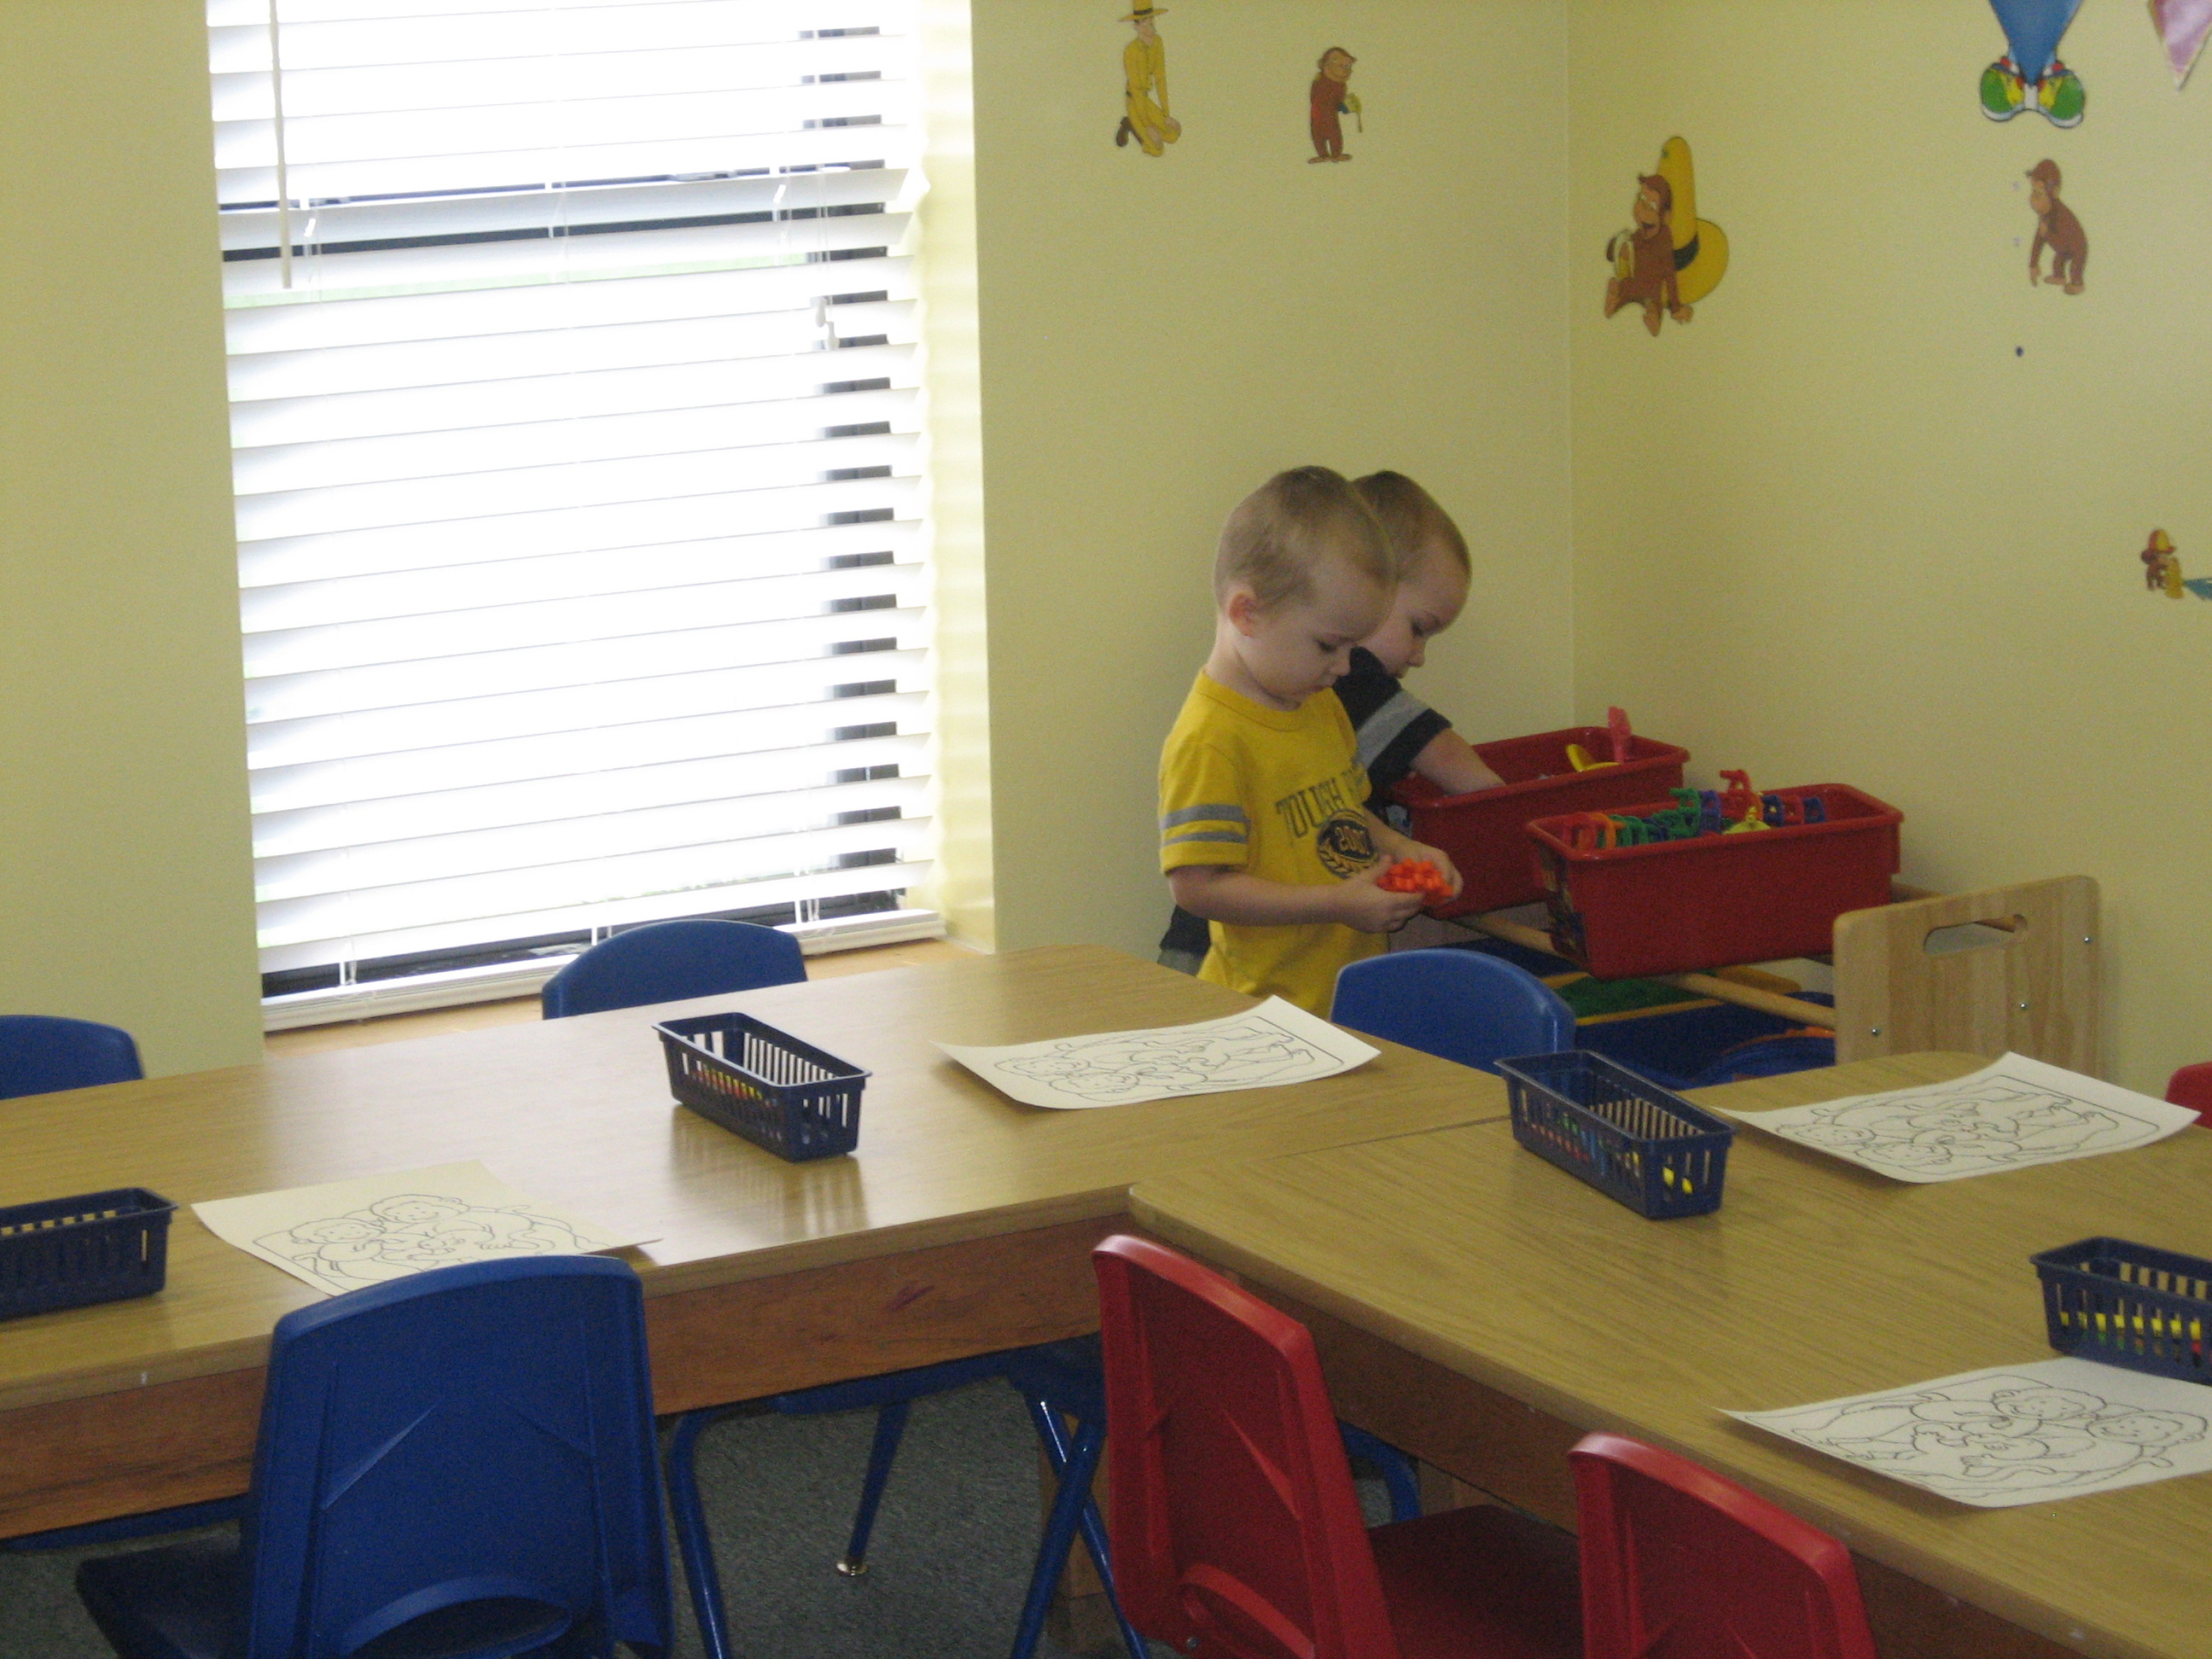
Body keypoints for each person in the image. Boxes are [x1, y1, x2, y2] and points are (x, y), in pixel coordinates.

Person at [1159, 470, 1499, 975]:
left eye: (1352, 647)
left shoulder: (1320, 702)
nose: (1345, 668)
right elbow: (1197, 888)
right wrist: (1335, 903)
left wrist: (1403, 848)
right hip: (1259, 1003)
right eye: (1328, 645)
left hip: (1338, 990)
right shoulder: (1209, 739)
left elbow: (1345, 812)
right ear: (1247, 614)